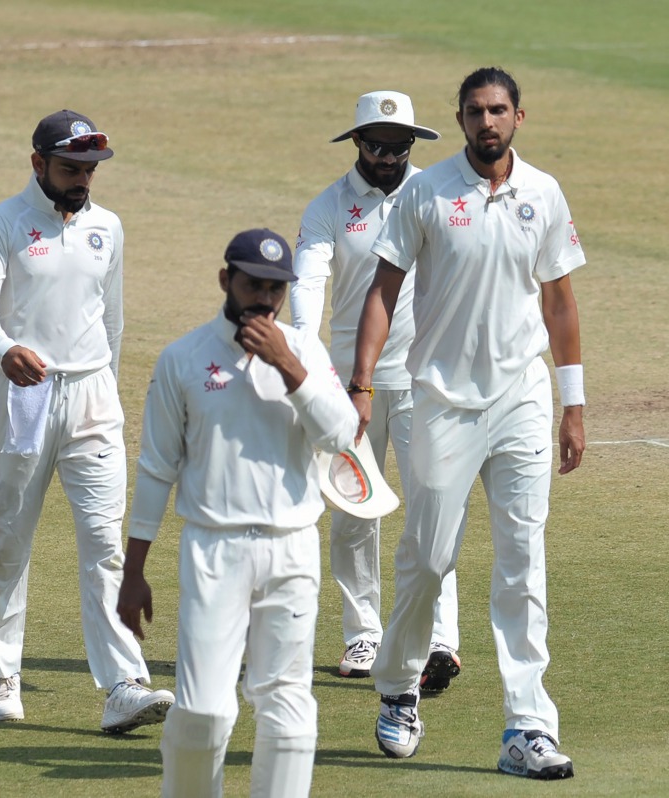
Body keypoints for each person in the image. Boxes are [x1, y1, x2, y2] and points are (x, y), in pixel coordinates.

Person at [351, 68, 585, 779]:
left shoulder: (541, 193)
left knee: (523, 561)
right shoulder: (426, 191)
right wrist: (361, 386)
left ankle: (527, 726)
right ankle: (397, 686)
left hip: (521, 398)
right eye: (477, 112)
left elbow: (561, 305)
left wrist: (572, 402)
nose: (489, 122)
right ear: (459, 119)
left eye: (500, 110)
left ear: (520, 117)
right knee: (427, 557)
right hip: (443, 401)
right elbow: (382, 292)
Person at [118, 229, 358, 797]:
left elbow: (342, 434)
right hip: (213, 547)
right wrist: (132, 571)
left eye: (276, 289)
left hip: (292, 545)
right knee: (203, 712)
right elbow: (157, 468)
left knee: (289, 710)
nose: (265, 300)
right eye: (254, 284)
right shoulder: (184, 358)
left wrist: (288, 366)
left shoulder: (305, 350)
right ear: (226, 280)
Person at [0, 109, 174, 733]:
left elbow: (113, 316)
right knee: (9, 540)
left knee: (108, 545)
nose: (82, 180)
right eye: (70, 168)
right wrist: (3, 349)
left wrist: (104, 382)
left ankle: (122, 687)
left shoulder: (108, 225)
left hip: (93, 396)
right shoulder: (0, 222)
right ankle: (3, 674)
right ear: (38, 164)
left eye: (90, 169)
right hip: (26, 394)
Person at [291, 90, 463, 690]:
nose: (388, 156)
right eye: (377, 145)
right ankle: (363, 633)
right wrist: (302, 353)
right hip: (347, 384)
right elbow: (308, 284)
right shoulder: (328, 207)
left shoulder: (439, 194)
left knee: (433, 506)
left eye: (400, 145)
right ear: (356, 142)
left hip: (426, 378)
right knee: (353, 514)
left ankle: (438, 636)